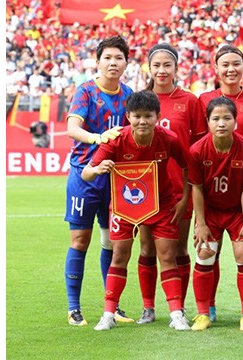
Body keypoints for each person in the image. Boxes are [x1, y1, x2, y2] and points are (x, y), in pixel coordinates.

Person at [82, 90, 191, 331]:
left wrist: (183, 200)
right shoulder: (115, 140)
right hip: (123, 208)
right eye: (137, 116)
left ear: (157, 116)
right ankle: (109, 313)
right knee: (119, 255)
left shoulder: (169, 138)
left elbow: (188, 167)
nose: (142, 121)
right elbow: (85, 173)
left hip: (161, 206)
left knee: (167, 257)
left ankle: (176, 314)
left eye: (148, 116)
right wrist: (100, 168)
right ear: (128, 117)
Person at [134, 43, 207, 325]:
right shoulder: (140, 100)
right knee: (147, 248)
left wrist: (191, 192)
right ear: (149, 68)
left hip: (179, 189)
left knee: (178, 250)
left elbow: (198, 148)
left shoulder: (189, 101)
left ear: (176, 68)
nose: (162, 70)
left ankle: (180, 307)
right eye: (156, 65)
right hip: (143, 191)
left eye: (167, 65)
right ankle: (148, 308)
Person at [63, 35, 133, 326]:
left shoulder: (129, 94)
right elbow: (71, 127)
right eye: (108, 58)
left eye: (118, 58)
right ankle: (73, 307)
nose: (113, 63)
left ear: (126, 63)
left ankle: (111, 307)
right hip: (84, 175)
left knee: (111, 242)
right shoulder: (86, 92)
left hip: (114, 178)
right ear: (98, 61)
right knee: (80, 239)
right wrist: (96, 137)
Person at [198, 45, 243, 321]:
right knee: (209, 251)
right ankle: (207, 308)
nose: (231, 69)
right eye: (225, 64)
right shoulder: (204, 100)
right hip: (212, 187)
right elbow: (200, 145)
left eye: (236, 63)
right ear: (216, 68)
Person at [188, 96, 243, 331]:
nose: (221, 123)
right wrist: (200, 223)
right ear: (207, 122)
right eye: (215, 118)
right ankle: (202, 313)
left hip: (238, 212)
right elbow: (196, 190)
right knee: (205, 254)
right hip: (210, 212)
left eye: (227, 118)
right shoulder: (197, 151)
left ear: (236, 122)